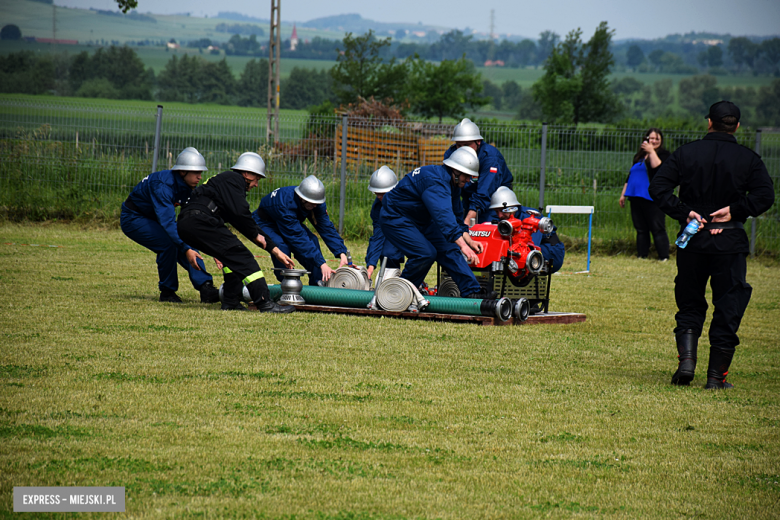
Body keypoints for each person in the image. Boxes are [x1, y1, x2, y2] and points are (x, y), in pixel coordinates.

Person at [649, 101, 775, 389]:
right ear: (737, 126)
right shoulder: (749, 158)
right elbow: (765, 196)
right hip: (729, 242)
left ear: (709, 122)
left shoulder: (686, 153)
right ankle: (717, 377)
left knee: (690, 302)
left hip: (693, 238)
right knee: (728, 304)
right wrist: (735, 210)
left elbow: (658, 187)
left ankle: (687, 362)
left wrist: (685, 212)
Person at [177, 152, 295, 313]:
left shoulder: (224, 185)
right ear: (246, 173)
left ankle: (231, 300)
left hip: (188, 223)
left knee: (231, 256)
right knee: (243, 257)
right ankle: (265, 303)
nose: (256, 184)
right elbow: (242, 215)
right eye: (256, 179)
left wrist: (275, 251)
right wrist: (255, 235)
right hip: (201, 221)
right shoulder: (234, 180)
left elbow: (244, 222)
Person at [380, 147, 484, 297]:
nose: (468, 180)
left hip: (420, 220)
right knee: (425, 253)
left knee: (449, 248)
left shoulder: (453, 184)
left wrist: (469, 242)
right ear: (455, 171)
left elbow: (456, 218)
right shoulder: (436, 182)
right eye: (466, 176)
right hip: (395, 218)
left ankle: (473, 293)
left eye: (471, 177)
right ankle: (397, 294)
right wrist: (464, 248)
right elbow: (444, 218)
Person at [120, 147, 220, 303]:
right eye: (196, 173)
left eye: (201, 173)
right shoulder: (163, 185)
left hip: (156, 218)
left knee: (188, 238)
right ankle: (167, 292)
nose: (200, 177)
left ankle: (206, 287)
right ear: (182, 172)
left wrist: (212, 247)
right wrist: (186, 248)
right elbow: (167, 222)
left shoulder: (188, 186)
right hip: (134, 217)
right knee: (168, 245)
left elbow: (192, 222)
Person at [252, 175, 349, 286]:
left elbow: (326, 227)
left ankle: (318, 284)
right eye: (311, 203)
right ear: (301, 198)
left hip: (291, 221)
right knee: (281, 247)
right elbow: (298, 238)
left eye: (316, 204)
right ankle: (287, 285)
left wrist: (341, 252)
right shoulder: (285, 203)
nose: (314, 206)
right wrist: (322, 263)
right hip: (266, 222)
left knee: (312, 240)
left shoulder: (316, 202)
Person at [443, 118, 513, 225]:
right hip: (468, 198)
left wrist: (467, 223)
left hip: (494, 203)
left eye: (467, 144)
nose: (462, 149)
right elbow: (447, 185)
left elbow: (484, 193)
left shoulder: (490, 158)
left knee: (484, 231)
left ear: (478, 141)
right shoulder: (452, 154)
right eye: (459, 145)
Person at [619, 128, 671, 261]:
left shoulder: (664, 155)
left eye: (656, 139)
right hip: (636, 196)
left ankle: (663, 256)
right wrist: (623, 194)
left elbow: (657, 168)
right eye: (651, 138)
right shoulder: (638, 156)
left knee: (657, 227)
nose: (653, 141)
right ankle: (642, 255)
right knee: (641, 228)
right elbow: (630, 176)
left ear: (661, 141)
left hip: (653, 198)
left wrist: (651, 151)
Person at [487, 187, 565, 274]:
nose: (500, 215)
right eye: (497, 211)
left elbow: (532, 245)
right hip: (527, 249)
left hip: (551, 251)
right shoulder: (502, 218)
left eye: (503, 210)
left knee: (525, 256)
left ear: (513, 207)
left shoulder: (530, 217)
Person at [365, 166, 404, 279]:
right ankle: (390, 280)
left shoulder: (406, 200)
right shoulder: (378, 207)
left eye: (382, 194)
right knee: (387, 253)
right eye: (377, 193)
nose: (379, 197)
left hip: (415, 230)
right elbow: (378, 235)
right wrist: (371, 265)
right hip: (394, 233)